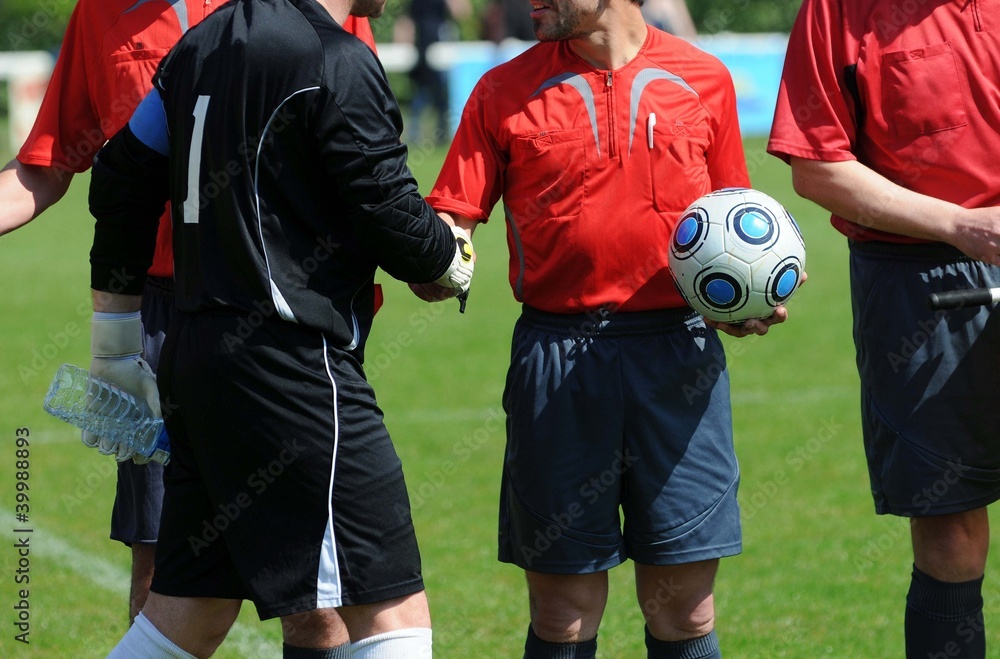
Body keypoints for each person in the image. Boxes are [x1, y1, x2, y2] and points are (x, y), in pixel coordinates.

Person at [88, 0, 475, 655]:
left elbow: (121, 176)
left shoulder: (198, 43)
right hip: (291, 370)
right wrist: (449, 254)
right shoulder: (335, 57)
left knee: (187, 611)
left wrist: (115, 342)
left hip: (196, 358)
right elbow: (385, 205)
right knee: (392, 609)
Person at [418, 0, 794, 656]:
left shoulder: (704, 79)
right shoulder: (501, 91)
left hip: (679, 359)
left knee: (686, 609)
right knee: (563, 612)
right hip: (557, 359)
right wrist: (436, 255)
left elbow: (734, 217)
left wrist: (741, 304)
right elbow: (452, 221)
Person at [0, 0, 376, 627]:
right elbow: (50, 162)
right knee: (162, 568)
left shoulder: (316, 6)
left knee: (316, 581)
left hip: (285, 314)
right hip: (154, 320)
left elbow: (355, 150)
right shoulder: (102, 12)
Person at [767, 1, 1000, 657]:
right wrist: (961, 224)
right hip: (916, 284)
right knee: (949, 530)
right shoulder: (836, 10)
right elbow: (816, 166)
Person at [406, 0, 470, 145]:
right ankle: (415, 133)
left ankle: (440, 134)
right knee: (421, 94)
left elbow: (461, 13)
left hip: (439, 50)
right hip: (422, 50)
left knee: (439, 96)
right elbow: (408, 21)